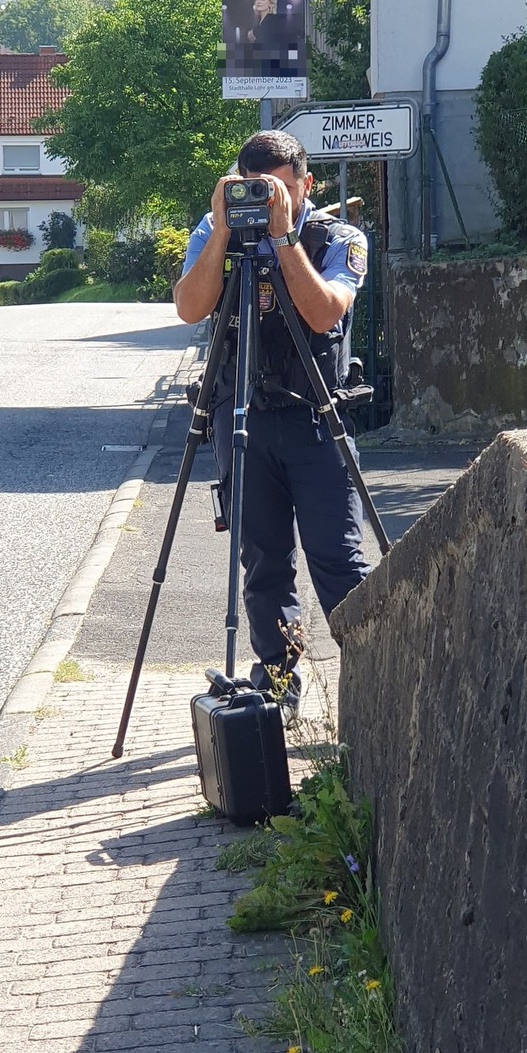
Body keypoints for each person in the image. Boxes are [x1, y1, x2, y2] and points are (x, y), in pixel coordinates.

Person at [174, 130, 371, 721]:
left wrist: (284, 239)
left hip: (317, 421)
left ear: (307, 185)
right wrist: (223, 229)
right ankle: (279, 686)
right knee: (262, 563)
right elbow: (189, 307)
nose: (266, 201)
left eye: (280, 190)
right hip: (244, 420)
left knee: (339, 561)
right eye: (253, 190)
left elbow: (323, 310)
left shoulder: (340, 238)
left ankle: (371, 678)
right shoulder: (219, 234)